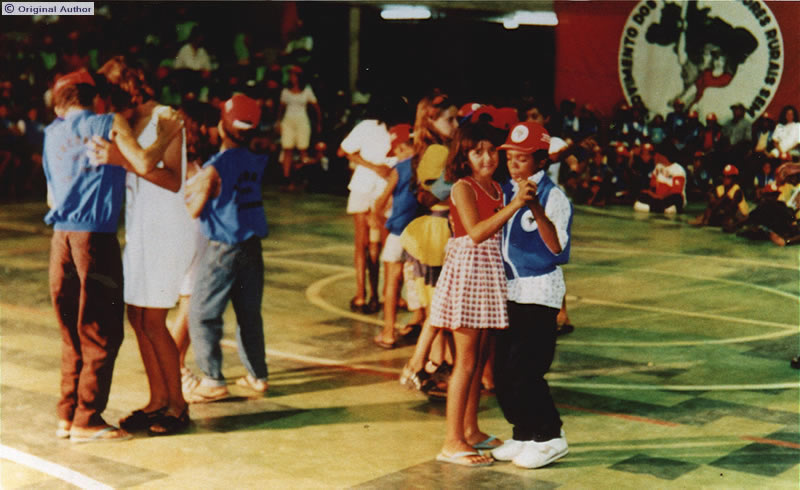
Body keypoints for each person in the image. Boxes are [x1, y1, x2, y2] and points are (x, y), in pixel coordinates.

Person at [44, 70, 181, 442]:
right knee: (101, 328)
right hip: (94, 237)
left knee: (71, 330)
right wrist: (167, 134)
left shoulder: (51, 132)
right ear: (95, 98)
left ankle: (67, 413)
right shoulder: (108, 122)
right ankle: (87, 418)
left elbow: (50, 197)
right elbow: (142, 163)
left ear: (61, 103)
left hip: (61, 237)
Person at [88, 56, 198, 435]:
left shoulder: (166, 117)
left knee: (152, 319)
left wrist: (121, 158)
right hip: (141, 230)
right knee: (137, 317)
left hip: (167, 229)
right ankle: (157, 400)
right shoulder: (132, 121)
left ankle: (178, 406)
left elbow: (171, 180)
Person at [430, 121, 537, 467]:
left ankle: (471, 430)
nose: (488, 157)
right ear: (464, 155)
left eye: (493, 150)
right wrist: (516, 205)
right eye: (478, 152)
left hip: (488, 274)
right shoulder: (463, 187)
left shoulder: (497, 188)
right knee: (464, 361)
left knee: (478, 361)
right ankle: (451, 440)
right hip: (467, 274)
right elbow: (476, 232)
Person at [491, 121, 572, 469]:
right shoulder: (504, 190)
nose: (514, 164)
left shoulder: (555, 197)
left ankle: (551, 436)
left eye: (522, 158)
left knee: (527, 368)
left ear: (540, 161)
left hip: (539, 292)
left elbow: (556, 250)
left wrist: (535, 207)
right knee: (501, 371)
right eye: (510, 157)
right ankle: (524, 431)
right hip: (509, 289)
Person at [182, 94, 270, 402]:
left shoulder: (215, 167)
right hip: (251, 246)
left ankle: (212, 379)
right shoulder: (255, 159)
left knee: (202, 313)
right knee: (249, 314)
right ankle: (257, 375)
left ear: (222, 127)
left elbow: (194, 208)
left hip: (222, 248)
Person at [338, 105, 394, 314]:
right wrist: (378, 168)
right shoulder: (398, 128)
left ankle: (363, 294)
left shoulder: (366, 125)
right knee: (383, 245)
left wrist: (370, 165)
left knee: (362, 244)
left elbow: (347, 150)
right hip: (385, 188)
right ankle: (388, 296)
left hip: (364, 186)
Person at [372, 123, 417, 348]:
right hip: (420, 231)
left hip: (398, 232)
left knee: (392, 281)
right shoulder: (424, 163)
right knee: (418, 281)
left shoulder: (399, 169)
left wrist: (378, 218)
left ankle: (388, 332)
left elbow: (381, 200)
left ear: (400, 147)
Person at [278, 66, 321, 191]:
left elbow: (316, 107)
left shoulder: (307, 90)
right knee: (287, 149)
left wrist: (319, 123)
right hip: (288, 121)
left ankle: (304, 179)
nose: (292, 78)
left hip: (302, 120)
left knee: (303, 149)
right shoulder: (285, 91)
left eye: (294, 75)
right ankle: (286, 179)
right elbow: (281, 108)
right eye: (290, 75)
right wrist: (278, 122)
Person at [689, 164, 749, 229]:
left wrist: (723, 198)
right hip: (726, 213)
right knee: (714, 204)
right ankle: (705, 219)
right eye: (724, 176)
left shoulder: (737, 191)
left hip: (740, 216)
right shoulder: (719, 188)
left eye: (728, 177)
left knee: (725, 206)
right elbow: (712, 204)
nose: (725, 179)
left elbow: (731, 208)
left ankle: (706, 220)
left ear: (734, 179)